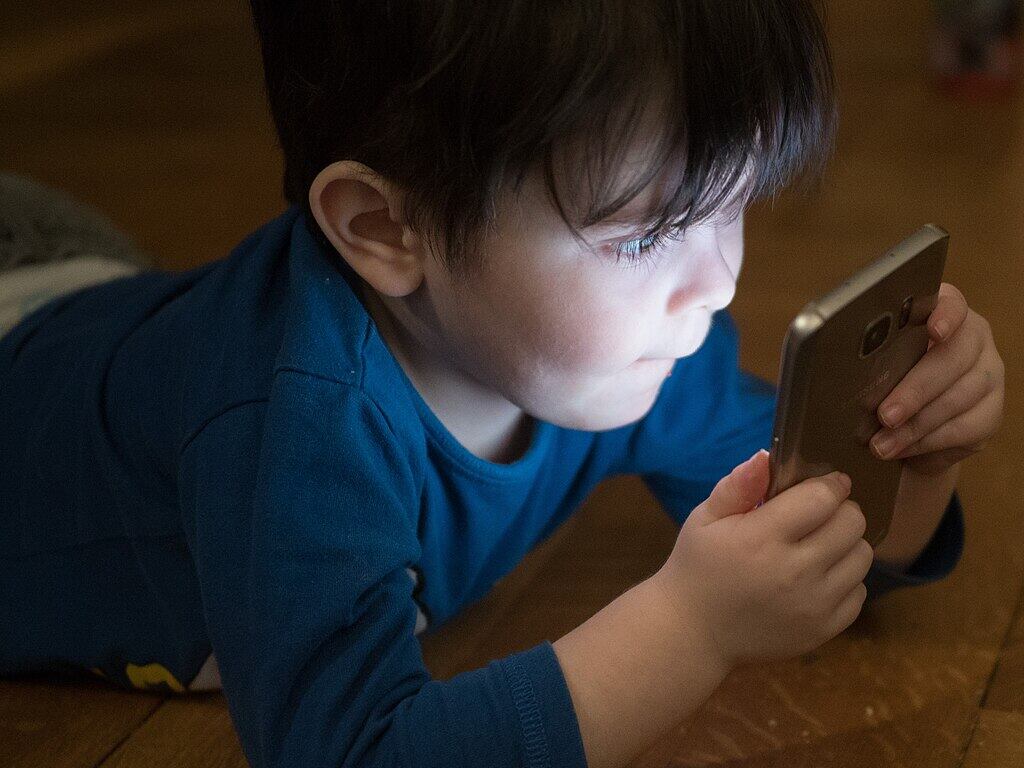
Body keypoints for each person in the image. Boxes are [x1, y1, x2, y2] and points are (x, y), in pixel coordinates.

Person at [0, 2, 1005, 767]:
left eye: (731, 202)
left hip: (97, 305)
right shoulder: (296, 434)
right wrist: (689, 629)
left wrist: (913, 455)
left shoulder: (639, 344)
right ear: (388, 230)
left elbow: (827, 544)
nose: (718, 281)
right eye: (649, 232)